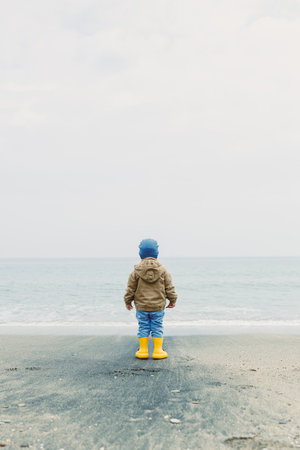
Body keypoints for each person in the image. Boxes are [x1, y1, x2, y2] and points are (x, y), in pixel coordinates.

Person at [124, 238, 178, 359]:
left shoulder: (136, 271)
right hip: (158, 306)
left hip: (141, 307)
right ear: (156, 252)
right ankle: (158, 351)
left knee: (143, 326)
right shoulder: (163, 270)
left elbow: (130, 289)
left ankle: (143, 351)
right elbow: (169, 287)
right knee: (157, 326)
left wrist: (128, 301)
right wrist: (172, 300)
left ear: (140, 253)